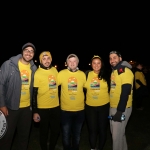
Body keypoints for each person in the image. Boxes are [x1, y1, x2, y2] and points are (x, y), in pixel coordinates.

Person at [0, 42, 37, 150]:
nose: (29, 53)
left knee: (24, 137)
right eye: (26, 50)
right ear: (22, 51)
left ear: (33, 54)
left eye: (31, 51)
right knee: (6, 137)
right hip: (10, 107)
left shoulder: (33, 69)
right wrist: (2, 104)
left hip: (26, 109)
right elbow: (0, 84)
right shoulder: (9, 64)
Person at [32, 51, 60, 150]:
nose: (46, 61)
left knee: (55, 130)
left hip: (55, 107)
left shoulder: (55, 70)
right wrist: (35, 111)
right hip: (42, 108)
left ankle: (52, 147)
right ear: (40, 61)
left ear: (51, 59)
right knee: (43, 132)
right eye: (44, 59)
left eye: (48, 58)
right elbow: (34, 93)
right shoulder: (37, 73)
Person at [57, 54, 86, 150]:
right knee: (66, 135)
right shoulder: (61, 73)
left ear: (78, 62)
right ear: (67, 63)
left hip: (80, 110)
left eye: (74, 61)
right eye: (70, 61)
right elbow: (52, 87)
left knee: (77, 135)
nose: (72, 63)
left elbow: (88, 88)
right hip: (65, 111)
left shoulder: (82, 74)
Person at [84, 55, 110, 150]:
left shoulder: (107, 74)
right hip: (90, 107)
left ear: (102, 64)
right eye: (94, 63)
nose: (96, 65)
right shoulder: (86, 74)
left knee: (103, 130)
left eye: (98, 63)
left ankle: (100, 148)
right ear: (91, 64)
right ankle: (93, 148)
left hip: (104, 106)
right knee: (92, 130)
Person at [109, 51, 134, 150]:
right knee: (119, 134)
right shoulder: (115, 71)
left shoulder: (125, 70)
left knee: (116, 137)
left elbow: (126, 91)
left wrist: (119, 111)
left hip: (122, 108)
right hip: (114, 107)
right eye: (110, 58)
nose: (112, 60)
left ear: (120, 58)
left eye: (115, 57)